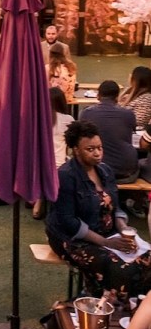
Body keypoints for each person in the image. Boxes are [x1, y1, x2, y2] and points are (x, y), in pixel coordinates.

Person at [45, 120, 151, 301]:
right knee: (121, 268)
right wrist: (105, 242)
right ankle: (109, 308)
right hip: (72, 239)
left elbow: (116, 207)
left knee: (147, 258)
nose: (97, 153)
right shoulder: (66, 176)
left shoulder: (105, 171)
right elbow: (68, 222)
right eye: (90, 149)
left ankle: (133, 308)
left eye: (99, 148)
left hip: (106, 234)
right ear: (76, 150)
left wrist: (123, 229)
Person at [80, 80, 137, 183]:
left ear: (98, 96)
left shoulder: (86, 114)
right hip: (124, 172)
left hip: (95, 169)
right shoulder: (128, 114)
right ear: (117, 97)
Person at [32, 87, 74, 220]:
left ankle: (39, 198)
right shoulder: (68, 119)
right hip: (58, 166)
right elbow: (72, 145)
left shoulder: (36, 118)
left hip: (35, 166)